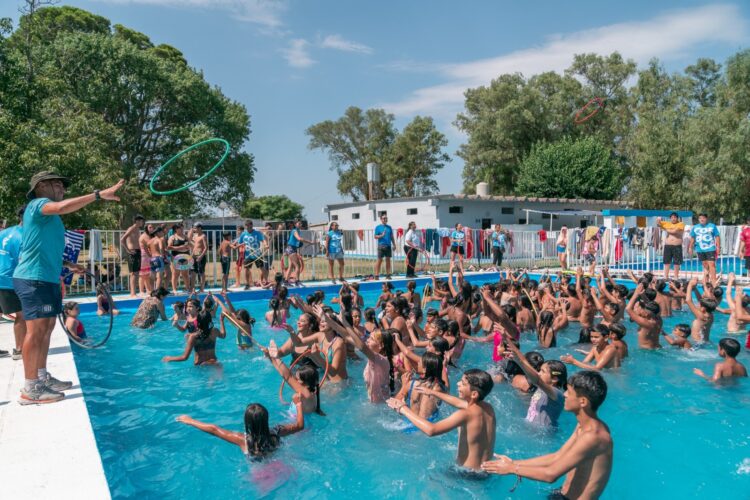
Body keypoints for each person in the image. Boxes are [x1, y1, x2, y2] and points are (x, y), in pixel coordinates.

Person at [14, 171, 124, 404]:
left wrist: (68, 264)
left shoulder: (51, 217)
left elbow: (41, 246)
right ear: (41, 186)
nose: (63, 189)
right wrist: (98, 195)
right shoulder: (37, 204)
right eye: (57, 184)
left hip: (48, 278)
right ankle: (30, 388)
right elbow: (63, 206)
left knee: (47, 328)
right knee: (36, 331)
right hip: (34, 279)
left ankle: (41, 377)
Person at [481, 371, 613, 500]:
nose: (564, 395)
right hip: (562, 493)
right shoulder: (583, 426)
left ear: (583, 401)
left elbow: (551, 475)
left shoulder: (594, 437)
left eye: (569, 392)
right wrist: (514, 463)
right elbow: (558, 456)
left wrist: (512, 468)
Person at [386, 369, 496, 473]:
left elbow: (432, 430)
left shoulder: (465, 414)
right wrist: (432, 392)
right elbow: (458, 403)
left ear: (474, 394)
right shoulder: (488, 408)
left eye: (462, 383)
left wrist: (403, 408)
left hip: (466, 475)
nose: (458, 384)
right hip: (484, 473)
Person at [176, 395, 304, 458]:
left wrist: (190, 420)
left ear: (247, 423)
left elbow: (214, 429)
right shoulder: (277, 432)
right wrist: (298, 404)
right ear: (266, 419)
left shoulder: (243, 440)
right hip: (280, 466)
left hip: (259, 475)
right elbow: (299, 425)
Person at [505, 340, 568, 428]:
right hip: (531, 430)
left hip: (544, 436)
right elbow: (526, 362)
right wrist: (508, 340)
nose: (539, 373)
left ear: (554, 379)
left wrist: (519, 361)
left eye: (543, 371)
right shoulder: (541, 385)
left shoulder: (556, 394)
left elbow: (536, 379)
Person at [0, 205, 26, 359]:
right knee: (21, 315)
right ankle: (20, 350)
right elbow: (24, 261)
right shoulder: (25, 236)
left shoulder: (5, 232)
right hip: (10, 280)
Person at [234, 220, 268, 289]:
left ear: (252, 226)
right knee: (246, 269)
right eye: (246, 227)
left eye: (249, 226)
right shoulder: (243, 234)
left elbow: (263, 240)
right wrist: (238, 245)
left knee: (262, 268)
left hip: (257, 255)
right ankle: (247, 284)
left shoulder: (257, 233)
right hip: (248, 255)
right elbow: (239, 242)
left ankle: (264, 281)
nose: (248, 228)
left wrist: (266, 245)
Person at [688, 213, 721, 285]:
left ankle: (713, 280)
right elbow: (693, 238)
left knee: (712, 264)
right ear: (698, 219)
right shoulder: (695, 227)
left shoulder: (712, 226)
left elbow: (717, 236)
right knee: (705, 265)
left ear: (706, 218)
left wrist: (718, 247)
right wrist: (690, 247)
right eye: (700, 218)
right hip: (699, 249)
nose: (702, 219)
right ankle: (707, 278)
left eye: (703, 218)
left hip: (710, 248)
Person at [120, 214, 145, 297]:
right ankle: (132, 293)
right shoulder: (132, 228)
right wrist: (128, 250)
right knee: (133, 273)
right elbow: (122, 239)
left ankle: (134, 292)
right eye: (141, 221)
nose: (142, 223)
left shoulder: (137, 229)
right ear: (137, 221)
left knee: (136, 273)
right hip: (133, 252)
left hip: (137, 252)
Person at [657, 212, 685, 280]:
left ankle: (676, 277)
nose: (673, 219)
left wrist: (665, 228)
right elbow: (658, 224)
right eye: (672, 217)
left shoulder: (681, 224)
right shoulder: (667, 224)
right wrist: (658, 219)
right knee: (667, 262)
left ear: (677, 218)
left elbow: (674, 232)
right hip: (668, 245)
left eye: (675, 217)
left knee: (677, 262)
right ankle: (666, 276)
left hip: (677, 245)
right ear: (670, 218)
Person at [167, 223, 190, 293]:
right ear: (176, 229)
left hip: (185, 256)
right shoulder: (172, 237)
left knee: (185, 274)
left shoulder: (185, 237)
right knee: (175, 274)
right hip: (176, 257)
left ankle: (187, 288)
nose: (182, 229)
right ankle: (174, 289)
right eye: (180, 228)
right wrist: (180, 247)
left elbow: (190, 245)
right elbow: (169, 247)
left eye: (182, 227)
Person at [373, 214, 396, 280]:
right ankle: (376, 275)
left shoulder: (389, 227)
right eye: (384, 218)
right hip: (381, 246)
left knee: (388, 260)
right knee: (379, 260)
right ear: (381, 219)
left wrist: (394, 244)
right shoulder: (378, 227)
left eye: (386, 218)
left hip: (388, 246)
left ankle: (388, 275)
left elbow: (391, 236)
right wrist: (381, 236)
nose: (385, 219)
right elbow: (375, 236)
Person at [188, 222, 208, 293]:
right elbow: (194, 246)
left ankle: (202, 288)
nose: (194, 229)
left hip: (200, 256)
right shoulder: (195, 236)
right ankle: (192, 288)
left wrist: (201, 256)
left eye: (195, 228)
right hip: (194, 256)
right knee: (193, 272)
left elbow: (206, 248)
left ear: (199, 228)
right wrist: (191, 255)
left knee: (201, 272)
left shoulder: (203, 236)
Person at [148, 226, 166, 291]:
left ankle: (152, 291)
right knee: (159, 276)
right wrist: (162, 255)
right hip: (158, 258)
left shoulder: (150, 241)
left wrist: (150, 255)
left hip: (152, 259)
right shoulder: (159, 240)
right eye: (162, 232)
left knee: (152, 276)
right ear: (158, 233)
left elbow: (147, 248)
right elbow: (161, 248)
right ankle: (157, 292)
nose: (163, 233)